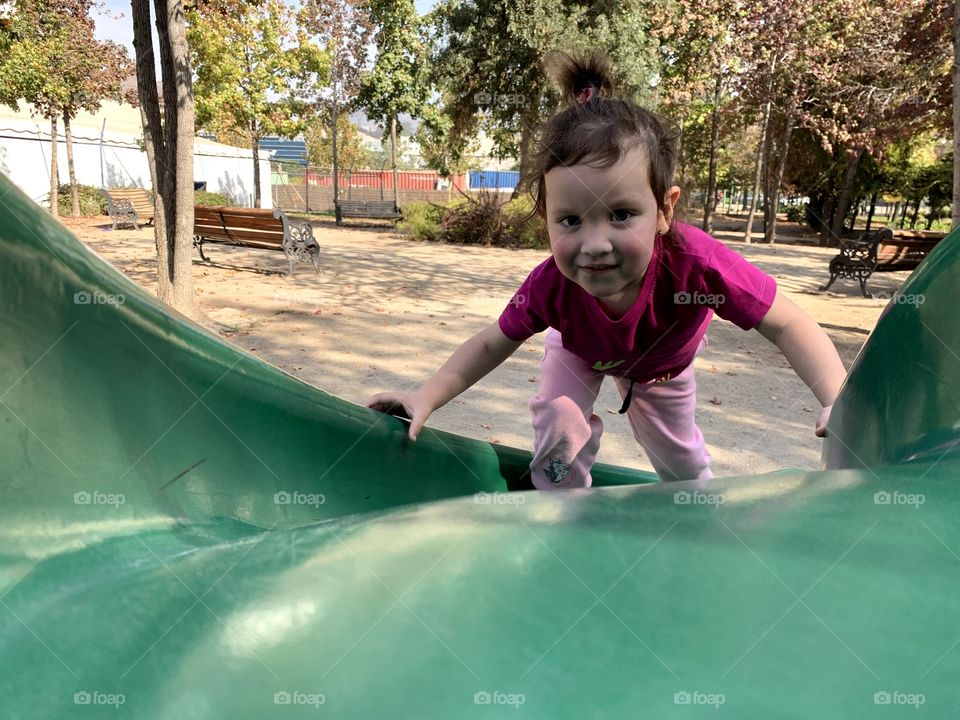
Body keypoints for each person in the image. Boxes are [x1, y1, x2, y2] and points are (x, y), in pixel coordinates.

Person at [367, 49, 846, 489]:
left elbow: (787, 322)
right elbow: (492, 341)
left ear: (664, 209)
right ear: (545, 220)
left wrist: (836, 397)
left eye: (620, 214)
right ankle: (560, 508)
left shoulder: (698, 266)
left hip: (662, 369)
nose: (595, 245)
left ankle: (698, 509)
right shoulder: (551, 285)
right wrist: (424, 396)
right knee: (560, 421)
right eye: (571, 220)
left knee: (681, 464)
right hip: (580, 350)